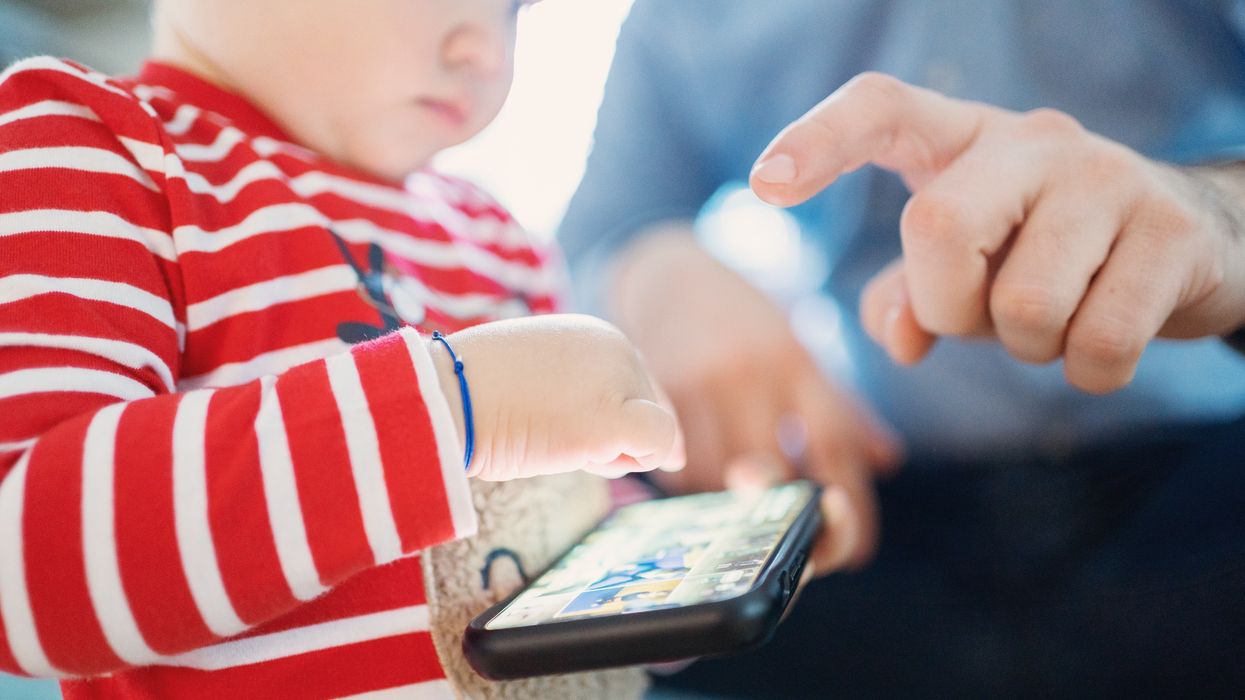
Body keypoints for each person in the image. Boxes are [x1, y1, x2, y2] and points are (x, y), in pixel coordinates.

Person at [0, 0, 687, 697]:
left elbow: (558, 508)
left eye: (514, 10)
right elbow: (24, 572)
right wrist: (453, 408)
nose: (487, 51)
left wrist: (653, 567)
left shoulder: (501, 240)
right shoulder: (97, 147)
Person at [560, 1, 1245, 695]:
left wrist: (1221, 216)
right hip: (881, 514)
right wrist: (652, 270)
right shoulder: (674, 19)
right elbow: (595, 235)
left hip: (1207, 484)